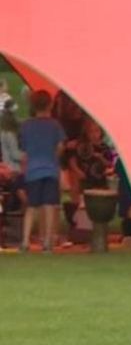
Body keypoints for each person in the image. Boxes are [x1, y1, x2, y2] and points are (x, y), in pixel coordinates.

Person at [18, 90, 65, 252]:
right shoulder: (55, 125)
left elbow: (23, 153)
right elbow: (60, 147)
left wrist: (24, 170)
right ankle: (47, 242)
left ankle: (25, 241)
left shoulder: (26, 126)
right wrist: (54, 158)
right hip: (50, 169)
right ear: (50, 105)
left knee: (31, 207)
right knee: (49, 205)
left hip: (32, 170)